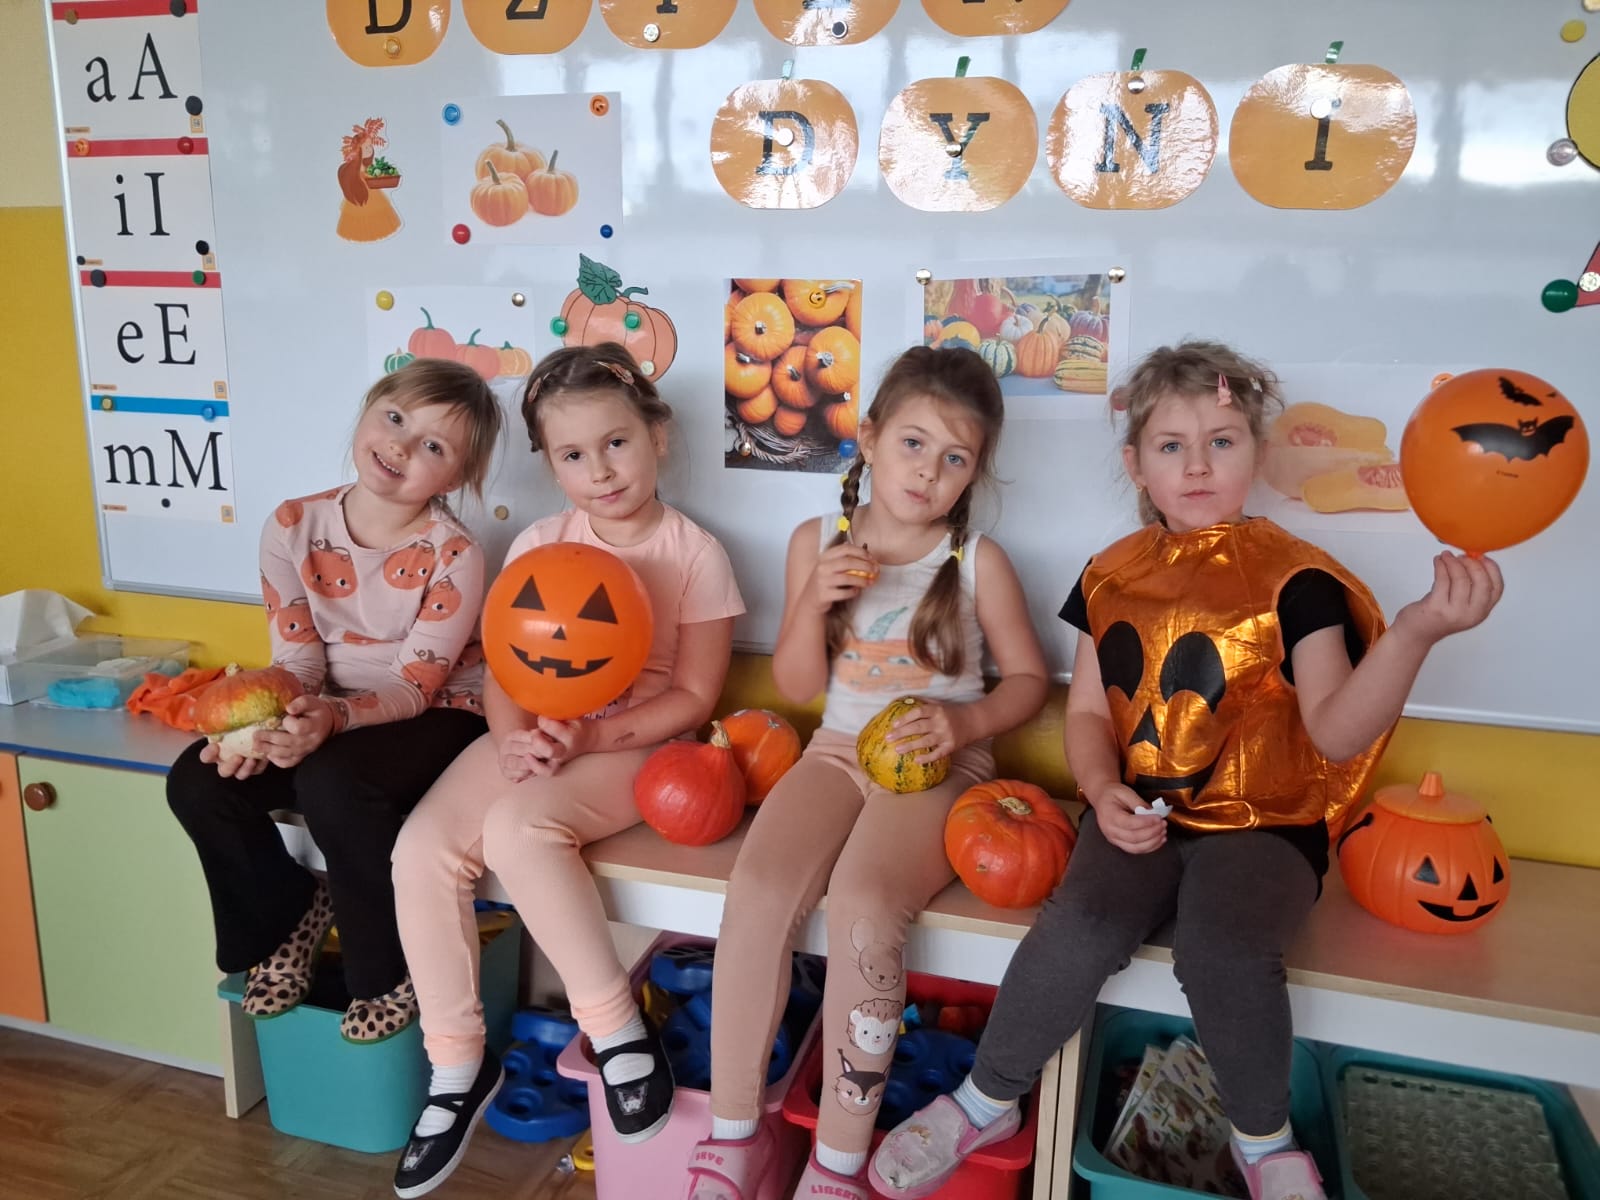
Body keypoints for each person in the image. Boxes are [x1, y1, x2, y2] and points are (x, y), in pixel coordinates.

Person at [869, 341, 1504, 1200]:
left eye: (1222, 441)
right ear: (1137, 464)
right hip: (1136, 811)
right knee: (1080, 922)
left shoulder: (1297, 580)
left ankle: (1265, 1142)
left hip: (1265, 825)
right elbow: (1089, 714)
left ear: (1258, 454)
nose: (1197, 464)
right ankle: (986, 1100)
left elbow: (1336, 731)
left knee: (1221, 947)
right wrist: (1101, 791)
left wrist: (1417, 632)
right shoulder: (1109, 576)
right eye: (1172, 445)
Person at [684, 346, 1049, 1200]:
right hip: (836, 751)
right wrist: (812, 601)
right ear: (873, 438)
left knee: (863, 905)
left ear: (974, 473)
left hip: (942, 764)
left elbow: (1031, 681)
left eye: (955, 458)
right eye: (914, 445)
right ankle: (735, 1136)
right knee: (758, 889)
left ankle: (838, 1163)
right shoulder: (816, 543)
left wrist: (965, 722)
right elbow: (797, 688)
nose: (928, 472)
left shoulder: (977, 561)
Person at [391, 343, 745, 1199]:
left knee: (520, 829)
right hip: (535, 733)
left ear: (657, 436)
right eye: (574, 455)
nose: (601, 470)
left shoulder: (696, 552)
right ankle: (457, 1063)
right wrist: (515, 738)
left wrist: (588, 740)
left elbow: (695, 697)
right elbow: (507, 669)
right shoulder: (541, 542)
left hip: (633, 746)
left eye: (616, 443)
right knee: (421, 849)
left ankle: (617, 1030)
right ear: (551, 465)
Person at [168, 358, 502, 1042]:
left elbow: (414, 685)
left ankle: (384, 970)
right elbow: (297, 660)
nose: (401, 446)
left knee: (334, 782)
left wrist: (330, 720)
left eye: (433, 446)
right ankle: (289, 914)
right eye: (395, 418)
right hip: (326, 709)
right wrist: (272, 728)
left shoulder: (455, 553)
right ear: (369, 407)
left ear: (455, 478)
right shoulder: (292, 524)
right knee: (198, 780)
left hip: (439, 714)